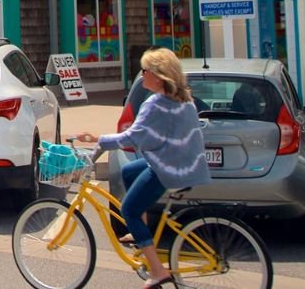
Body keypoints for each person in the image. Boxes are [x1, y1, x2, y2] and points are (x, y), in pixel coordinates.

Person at [76, 48, 211, 289]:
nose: (141, 74)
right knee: (128, 172)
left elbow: (131, 138)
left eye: (145, 70)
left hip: (168, 167)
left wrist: (98, 140)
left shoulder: (156, 103)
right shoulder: (183, 98)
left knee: (128, 209)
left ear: (158, 76)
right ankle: (142, 232)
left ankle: (158, 272)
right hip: (181, 162)